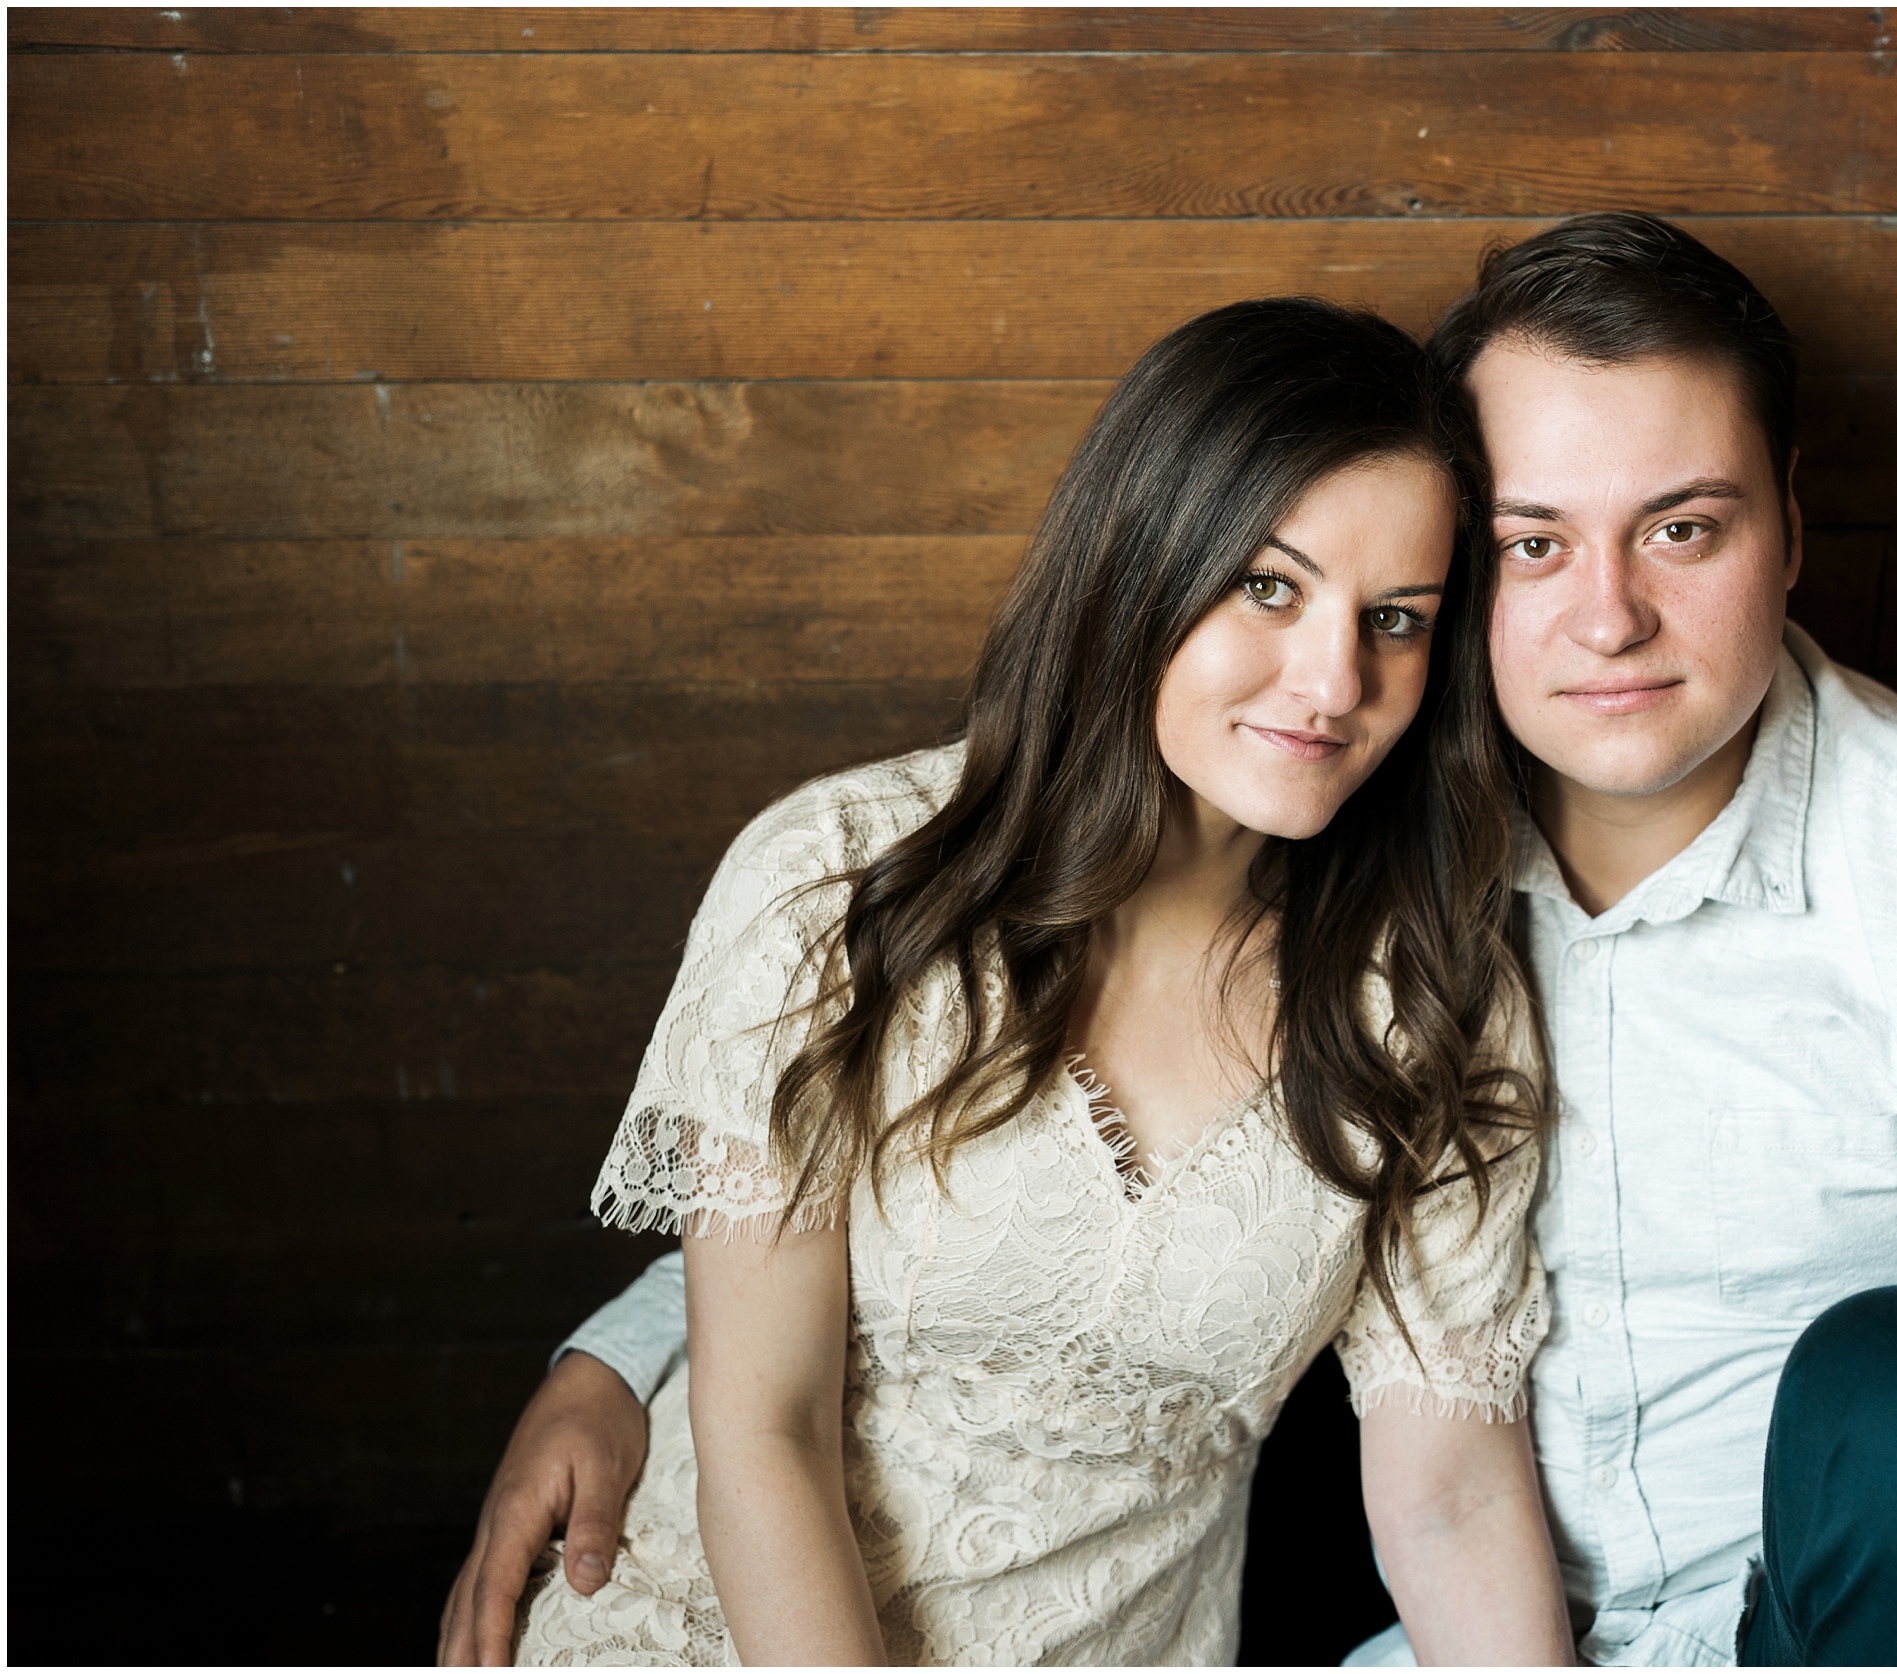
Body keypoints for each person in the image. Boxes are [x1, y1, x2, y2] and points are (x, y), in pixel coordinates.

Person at [446, 219, 1897, 1667]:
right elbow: (912, 1194)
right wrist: (630, 1355)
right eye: (1535, 543)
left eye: (1683, 529)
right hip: (1458, 1640)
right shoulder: (1362, 850)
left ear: (1791, 526)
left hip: (1850, 1618)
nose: (1605, 616)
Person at [477, 297, 1574, 1666]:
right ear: (1142, 560)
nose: (1333, 679)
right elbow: (763, 1426)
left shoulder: (1428, 1006)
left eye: (1397, 618)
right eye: (1271, 585)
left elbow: (1454, 1496)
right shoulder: (836, 881)